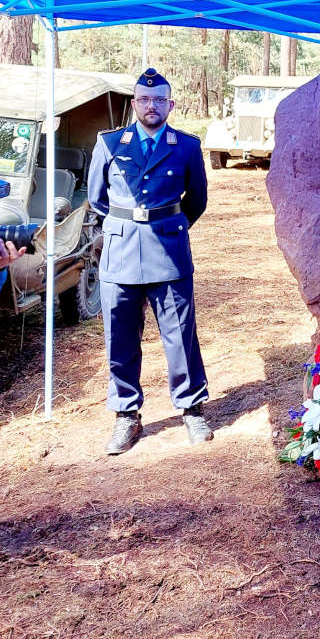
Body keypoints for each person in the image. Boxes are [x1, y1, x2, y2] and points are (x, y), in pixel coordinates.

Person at [87, 67, 212, 454]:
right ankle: (126, 415)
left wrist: (168, 224)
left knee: (179, 333)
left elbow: (197, 201)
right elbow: (98, 200)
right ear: (134, 103)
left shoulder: (187, 146)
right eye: (144, 99)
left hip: (168, 252)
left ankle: (191, 408)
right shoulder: (109, 144)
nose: (152, 105)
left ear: (170, 104)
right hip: (121, 253)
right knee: (120, 337)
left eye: (159, 100)